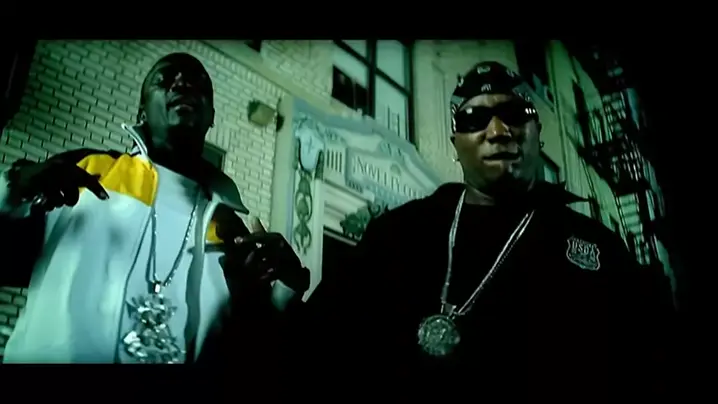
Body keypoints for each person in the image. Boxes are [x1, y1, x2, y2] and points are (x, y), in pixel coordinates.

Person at [239, 61, 675, 394]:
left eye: (514, 113)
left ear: (537, 130)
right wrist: (285, 293)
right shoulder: (398, 234)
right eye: (474, 119)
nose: (497, 130)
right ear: (455, 144)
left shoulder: (597, 249)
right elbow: (324, 350)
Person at [0, 52, 309, 364]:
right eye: (165, 78)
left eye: (198, 83)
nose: (182, 83)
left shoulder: (230, 228)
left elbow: (252, 347)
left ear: (211, 116)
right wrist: (13, 189)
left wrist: (286, 290)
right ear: (142, 111)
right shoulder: (84, 171)